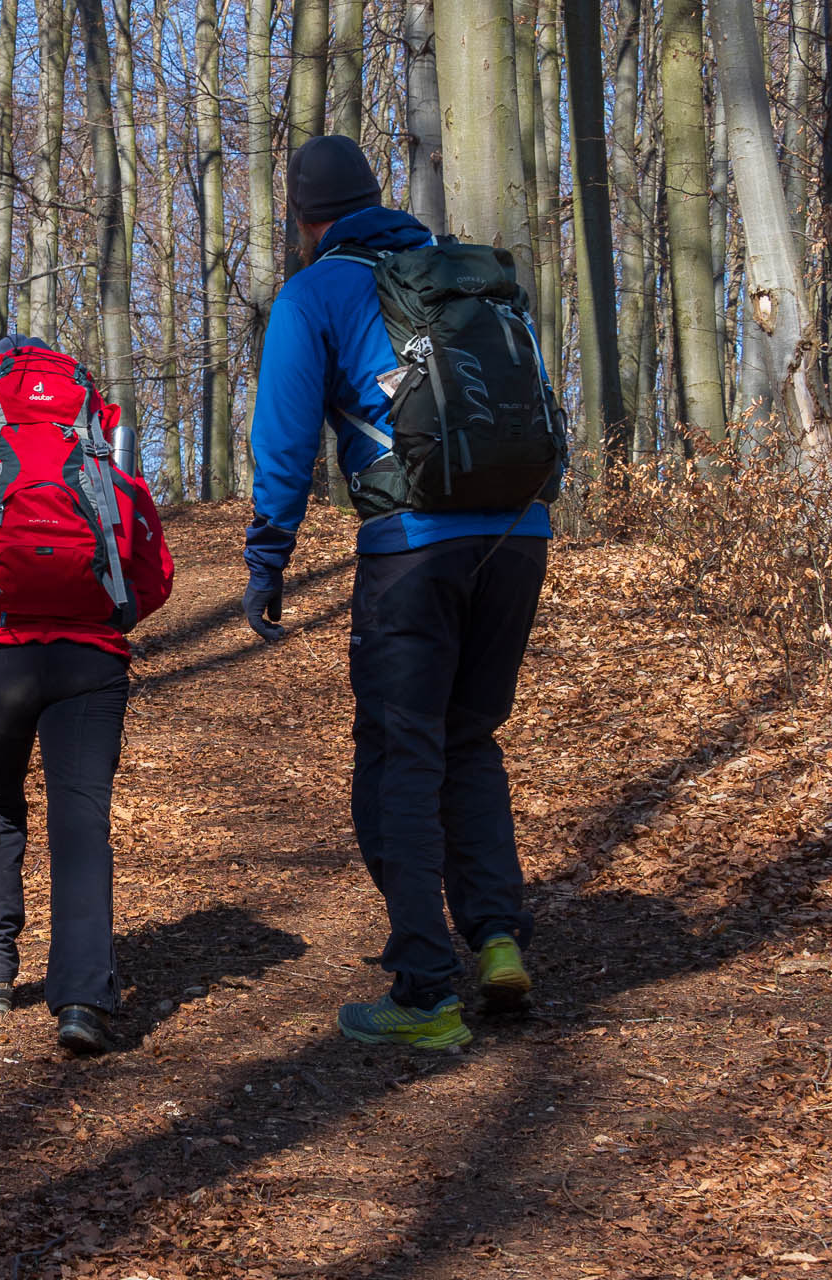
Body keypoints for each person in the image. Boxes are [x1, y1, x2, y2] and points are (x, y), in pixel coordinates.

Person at [244, 136, 557, 1050]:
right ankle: (498, 941)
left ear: (304, 218)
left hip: (413, 546)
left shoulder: (316, 293)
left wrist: (268, 558)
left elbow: (287, 438)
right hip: (517, 533)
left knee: (399, 755)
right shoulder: (456, 274)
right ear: (376, 199)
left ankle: (426, 990)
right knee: (470, 738)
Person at [0, 335, 174, 1055]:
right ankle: (84, 996)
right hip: (90, 662)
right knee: (81, 819)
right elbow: (152, 574)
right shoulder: (96, 455)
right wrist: (101, 617)